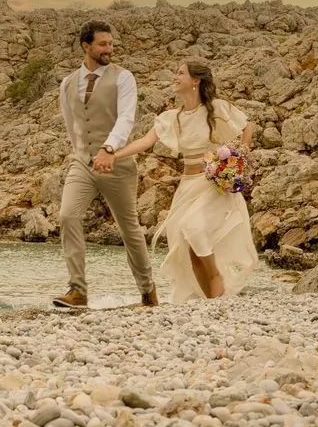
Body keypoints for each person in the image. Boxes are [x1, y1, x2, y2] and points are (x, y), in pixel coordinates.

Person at [112, 58, 258, 302]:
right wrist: (114, 155)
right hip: (187, 186)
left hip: (212, 184)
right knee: (186, 243)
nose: (175, 77)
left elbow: (247, 126)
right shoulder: (172, 117)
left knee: (194, 227)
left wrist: (240, 157)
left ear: (195, 80)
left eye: (181, 73)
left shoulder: (217, 108)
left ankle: (217, 281)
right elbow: (145, 142)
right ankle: (210, 299)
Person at [52, 21, 157, 309]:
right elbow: (71, 124)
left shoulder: (124, 78)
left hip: (117, 163)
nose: (109, 49)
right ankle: (77, 291)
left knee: (129, 229)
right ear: (86, 46)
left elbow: (126, 118)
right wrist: (82, 153)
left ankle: (148, 291)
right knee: (68, 215)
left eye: (111, 43)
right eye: (102, 44)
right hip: (82, 163)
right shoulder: (67, 83)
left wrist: (109, 148)